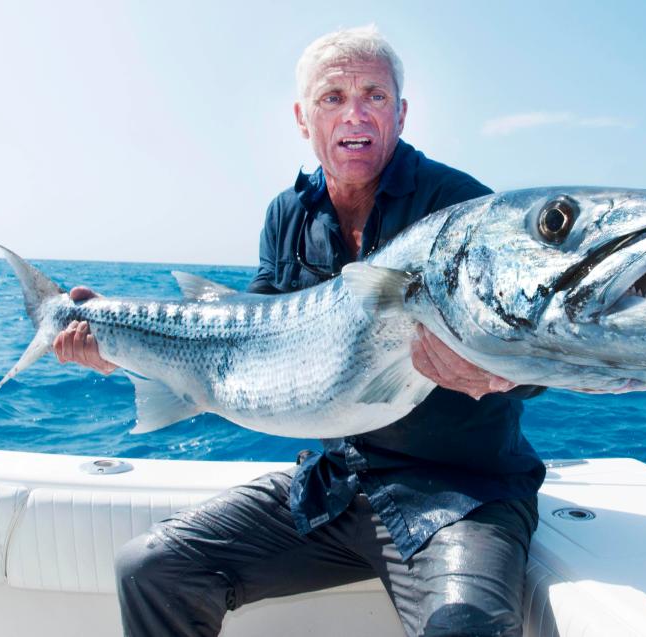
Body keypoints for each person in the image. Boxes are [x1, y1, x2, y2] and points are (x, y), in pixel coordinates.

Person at [55, 26, 545, 637]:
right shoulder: (287, 215)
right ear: (302, 117)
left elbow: (534, 350)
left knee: (466, 628)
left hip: (460, 494)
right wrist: (116, 341)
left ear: (401, 113)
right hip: (334, 483)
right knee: (152, 568)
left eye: (374, 95)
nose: (355, 112)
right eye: (332, 97)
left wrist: (501, 373)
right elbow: (241, 339)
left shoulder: (461, 208)